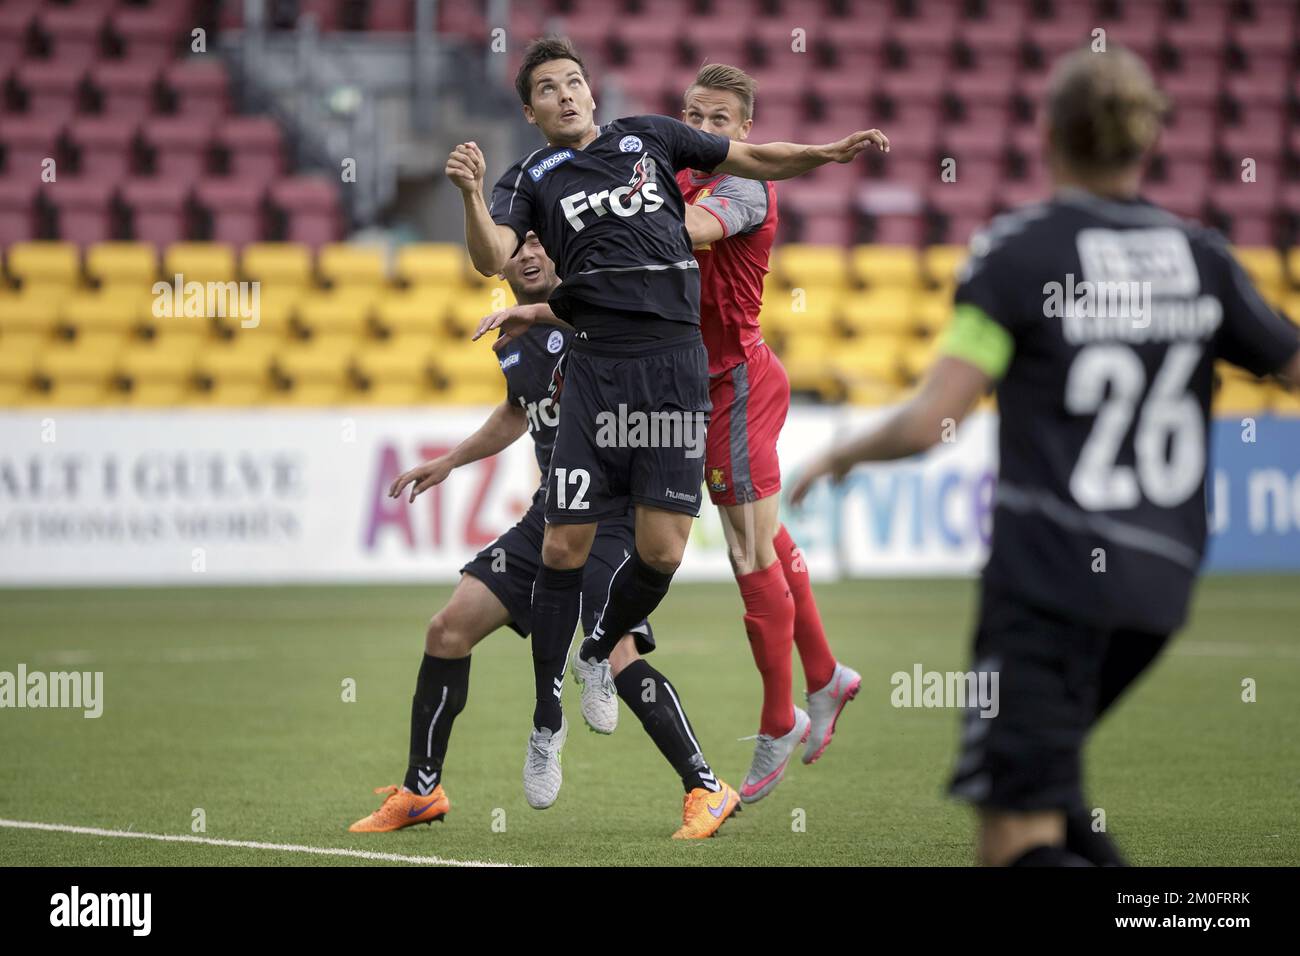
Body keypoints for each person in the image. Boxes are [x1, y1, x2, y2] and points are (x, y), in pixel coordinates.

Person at [790, 46, 1300, 865]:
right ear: (1148, 141)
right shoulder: (1200, 257)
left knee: (1013, 835)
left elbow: (933, 419)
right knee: (1053, 796)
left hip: (1050, 577)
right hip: (1161, 581)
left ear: (1047, 133)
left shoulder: (1019, 254)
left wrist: (837, 455)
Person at [459, 35, 888, 837]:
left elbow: (717, 194)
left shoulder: (661, 149)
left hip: (695, 377)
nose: (566, 94)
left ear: (593, 91)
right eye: (547, 88)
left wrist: (828, 153)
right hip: (602, 373)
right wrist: (488, 216)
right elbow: (501, 257)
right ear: (531, 108)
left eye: (575, 81)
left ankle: (642, 660)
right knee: (582, 547)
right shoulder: (539, 176)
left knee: (680, 552)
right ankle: (558, 717)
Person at [348, 232, 652, 831]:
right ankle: (421, 791)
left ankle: (702, 782)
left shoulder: (596, 316)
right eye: (519, 245)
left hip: (607, 519)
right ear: (500, 260)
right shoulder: (513, 341)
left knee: (617, 655)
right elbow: (519, 410)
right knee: (447, 631)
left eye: (542, 240)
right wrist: (451, 460)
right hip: (548, 516)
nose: (531, 253)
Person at [676, 63, 860, 803]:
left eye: (720, 119)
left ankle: (777, 717)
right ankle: (826, 674)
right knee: (769, 539)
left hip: (739, 382)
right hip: (701, 384)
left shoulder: (741, 186)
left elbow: (688, 232)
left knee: (748, 550)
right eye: (694, 114)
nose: (705, 128)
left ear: (745, 130)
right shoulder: (676, 173)